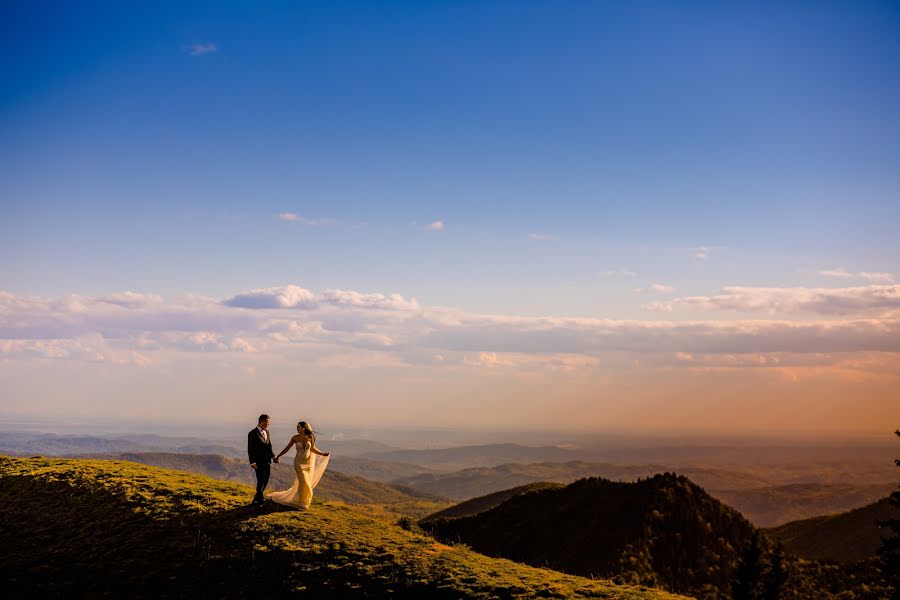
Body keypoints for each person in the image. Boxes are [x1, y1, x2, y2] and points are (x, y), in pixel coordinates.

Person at [268, 420, 330, 510]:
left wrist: (322, 454)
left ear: (304, 428)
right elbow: (287, 448)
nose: (297, 428)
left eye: (298, 427)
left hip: (308, 463)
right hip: (298, 462)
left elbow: (312, 449)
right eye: (296, 427)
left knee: (304, 482)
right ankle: (302, 502)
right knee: (304, 481)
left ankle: (302, 501)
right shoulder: (295, 438)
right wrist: (278, 456)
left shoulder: (310, 436)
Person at [247, 414, 278, 505]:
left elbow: (269, 446)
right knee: (260, 480)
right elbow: (250, 449)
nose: (268, 424)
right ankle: (260, 499)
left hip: (267, 460)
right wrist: (252, 462)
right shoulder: (252, 433)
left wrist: (273, 457)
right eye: (268, 422)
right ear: (262, 421)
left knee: (266, 479)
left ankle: (256, 499)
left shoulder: (267, 432)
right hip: (258, 461)